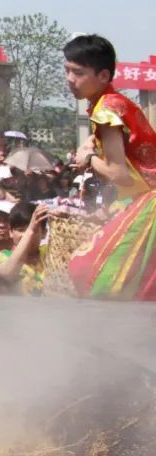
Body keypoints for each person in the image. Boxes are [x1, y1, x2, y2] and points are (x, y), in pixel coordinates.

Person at [64, 35, 156, 299]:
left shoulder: (105, 113)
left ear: (103, 75)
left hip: (150, 203)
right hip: (144, 199)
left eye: (78, 73)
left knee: (94, 274)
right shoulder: (115, 102)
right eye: (67, 70)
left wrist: (88, 158)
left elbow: (120, 175)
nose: (70, 79)